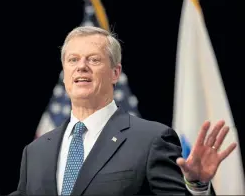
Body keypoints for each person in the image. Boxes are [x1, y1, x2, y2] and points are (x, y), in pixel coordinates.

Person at [13, 26, 236, 196]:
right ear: (64, 71)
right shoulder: (35, 152)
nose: (81, 66)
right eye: (73, 60)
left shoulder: (151, 140)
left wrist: (196, 186)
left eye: (94, 59)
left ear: (115, 73)